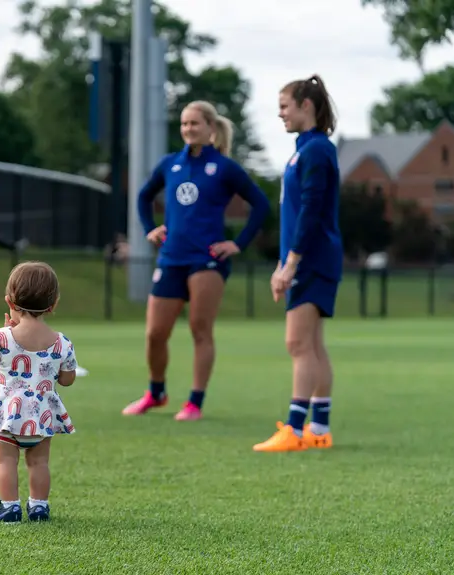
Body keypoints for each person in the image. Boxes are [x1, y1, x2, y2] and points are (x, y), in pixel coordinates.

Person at [122, 100, 270, 420]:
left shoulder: (225, 167)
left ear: (211, 129)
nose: (189, 129)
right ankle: (156, 393)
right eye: (184, 124)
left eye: (195, 124)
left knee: (199, 329)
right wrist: (150, 229)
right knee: (155, 333)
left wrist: (238, 243)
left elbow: (261, 205)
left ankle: (194, 402)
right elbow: (144, 196)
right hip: (171, 256)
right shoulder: (169, 165)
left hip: (207, 259)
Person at [254, 75, 341, 452]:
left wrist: (290, 264)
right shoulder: (306, 148)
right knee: (313, 345)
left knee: (297, 344)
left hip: (312, 259)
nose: (280, 114)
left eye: (285, 106)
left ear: (306, 106)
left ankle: (295, 429)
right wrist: (283, 261)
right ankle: (318, 429)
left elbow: (310, 211)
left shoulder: (317, 150)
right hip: (311, 258)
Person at [0, 261, 78, 522]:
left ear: (9, 301)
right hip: (41, 416)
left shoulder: (2, 336)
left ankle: (10, 507)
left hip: (6, 415)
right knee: (39, 463)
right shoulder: (61, 342)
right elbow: (67, 380)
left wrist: (9, 330)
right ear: (53, 304)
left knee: (6, 463)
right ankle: (39, 507)